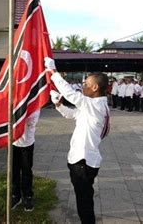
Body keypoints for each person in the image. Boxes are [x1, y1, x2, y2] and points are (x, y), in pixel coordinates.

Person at [45, 57, 110, 223]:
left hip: (83, 161)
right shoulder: (92, 106)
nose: (83, 86)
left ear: (95, 87)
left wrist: (53, 72)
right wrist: (59, 105)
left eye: (86, 84)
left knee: (84, 203)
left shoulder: (95, 105)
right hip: (81, 159)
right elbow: (72, 114)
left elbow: (71, 94)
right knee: (84, 199)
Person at [11, 110, 40, 212]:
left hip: (27, 142)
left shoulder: (34, 103)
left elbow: (32, 122)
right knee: (14, 170)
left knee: (26, 170)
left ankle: (28, 196)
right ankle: (15, 195)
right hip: (14, 141)